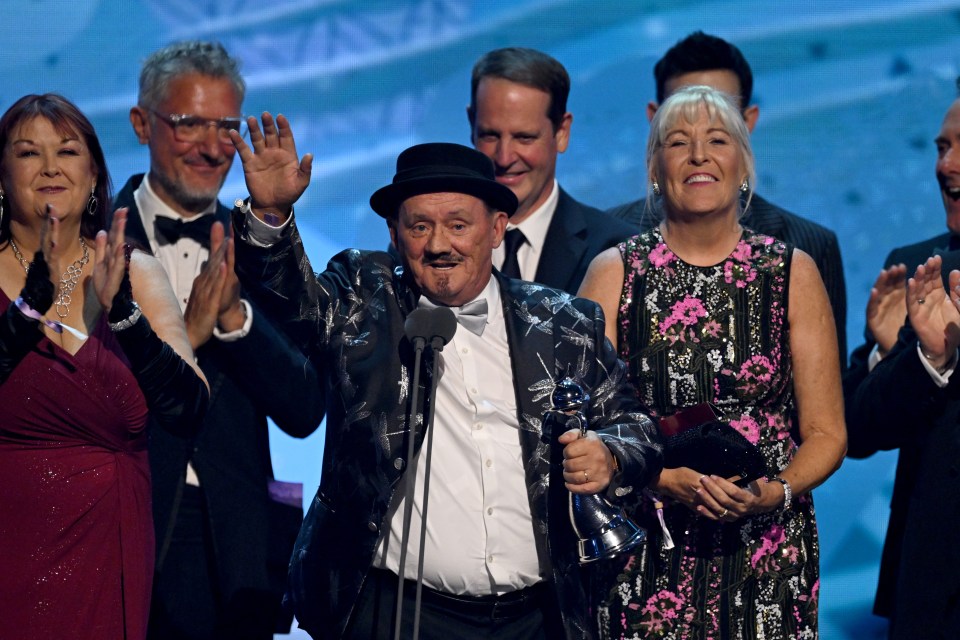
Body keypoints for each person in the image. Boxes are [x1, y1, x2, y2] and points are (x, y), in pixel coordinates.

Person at [226, 119, 665, 640]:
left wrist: (609, 455)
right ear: (393, 234)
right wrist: (272, 215)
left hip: (536, 618)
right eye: (419, 227)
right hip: (395, 612)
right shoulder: (362, 300)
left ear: (498, 228)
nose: (439, 245)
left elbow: (637, 427)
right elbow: (293, 305)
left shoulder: (564, 324)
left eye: (459, 225)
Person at [578, 85, 846, 639]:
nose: (699, 155)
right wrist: (658, 476)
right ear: (656, 170)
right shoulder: (613, 272)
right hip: (647, 542)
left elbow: (826, 432)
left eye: (717, 140)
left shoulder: (792, 272)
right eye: (678, 143)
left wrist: (776, 491)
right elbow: (581, 421)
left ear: (744, 165)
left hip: (768, 548)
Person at [118, 41, 323, 639]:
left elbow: (306, 409)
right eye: (188, 124)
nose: (212, 148)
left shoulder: (264, 249)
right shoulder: (96, 240)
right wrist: (189, 334)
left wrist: (237, 321)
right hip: (129, 525)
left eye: (226, 128)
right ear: (141, 124)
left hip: (240, 549)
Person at [0, 94, 208, 639]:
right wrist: (26, 310)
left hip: (107, 542)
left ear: (93, 174)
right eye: (28, 153)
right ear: (1, 177)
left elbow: (189, 409)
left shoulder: (135, 271)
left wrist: (124, 316)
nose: (50, 167)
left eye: (67, 151)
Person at [606, 31, 848, 367]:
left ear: (746, 123)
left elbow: (829, 394)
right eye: (683, 116)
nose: (699, 153)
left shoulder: (806, 248)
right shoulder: (609, 247)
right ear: (655, 122)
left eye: (719, 120)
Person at [844, 83, 960, 638]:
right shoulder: (916, 270)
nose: (947, 165)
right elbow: (857, 431)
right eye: (941, 147)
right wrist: (899, 355)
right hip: (934, 592)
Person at [467, 47, 635, 294]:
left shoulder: (617, 251)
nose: (504, 158)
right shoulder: (426, 246)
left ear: (562, 132)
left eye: (524, 137)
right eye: (490, 135)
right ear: (472, 125)